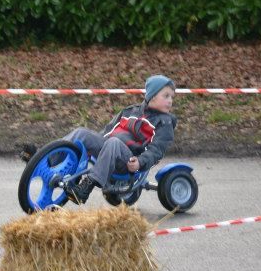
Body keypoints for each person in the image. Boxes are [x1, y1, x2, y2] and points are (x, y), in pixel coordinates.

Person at [60, 74, 177, 204]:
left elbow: (157, 150)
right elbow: (108, 131)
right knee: (81, 133)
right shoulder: (130, 111)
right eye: (166, 96)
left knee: (113, 143)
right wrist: (91, 146)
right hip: (108, 150)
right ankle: (44, 160)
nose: (170, 101)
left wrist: (140, 162)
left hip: (129, 160)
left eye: (172, 97)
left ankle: (85, 188)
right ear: (152, 96)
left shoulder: (164, 122)